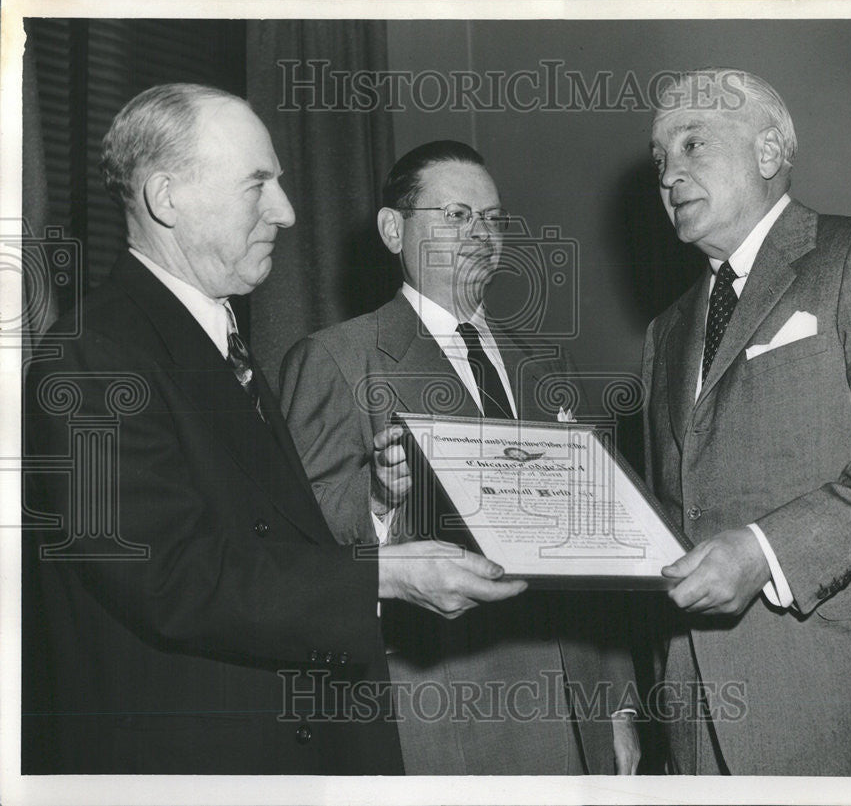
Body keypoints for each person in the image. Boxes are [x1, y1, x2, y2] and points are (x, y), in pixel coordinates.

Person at [22, 85, 525, 775]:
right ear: (167, 198)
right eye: (258, 184)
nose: (286, 212)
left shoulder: (216, 341)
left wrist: (377, 527)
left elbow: (274, 538)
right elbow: (169, 575)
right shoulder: (92, 354)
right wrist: (383, 576)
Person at [642, 68, 851, 776]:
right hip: (699, 718)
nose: (670, 173)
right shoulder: (664, 333)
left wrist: (764, 551)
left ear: (767, 154)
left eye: (693, 144)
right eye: (660, 159)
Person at [280, 140, 641, 775]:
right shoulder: (337, 357)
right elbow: (301, 549)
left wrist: (616, 703)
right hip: (443, 711)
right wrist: (380, 501)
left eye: (493, 217)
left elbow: (597, 547)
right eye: (455, 215)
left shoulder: (547, 364)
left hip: (574, 702)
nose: (481, 232)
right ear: (395, 230)